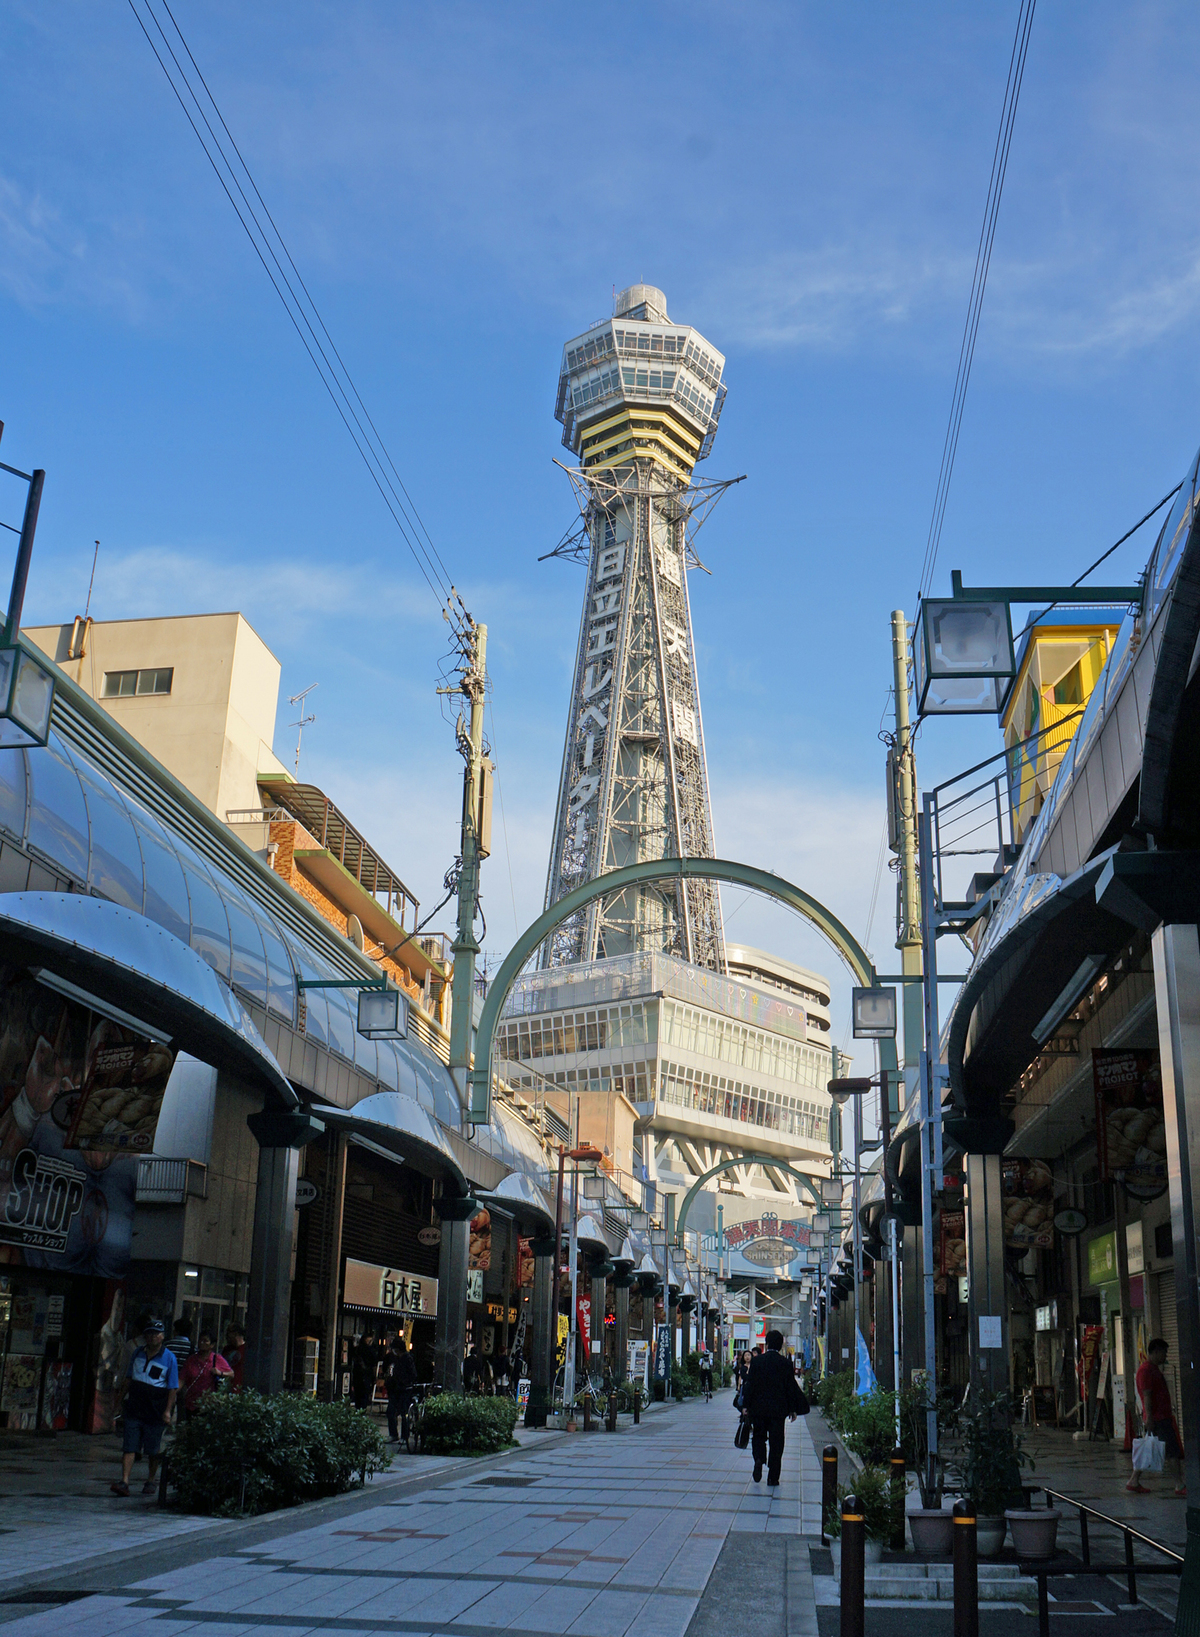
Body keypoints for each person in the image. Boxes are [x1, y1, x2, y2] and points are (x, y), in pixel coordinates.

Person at [111, 1318, 178, 1497]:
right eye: (148, 1334)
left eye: (155, 1334)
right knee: (129, 1445)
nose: (151, 1337)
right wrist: (118, 1404)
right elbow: (128, 1379)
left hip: (155, 1410)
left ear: (162, 1336)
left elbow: (172, 1388)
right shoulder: (138, 1353)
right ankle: (124, 1481)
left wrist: (167, 1411)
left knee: (153, 1449)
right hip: (135, 1407)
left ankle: (150, 1479)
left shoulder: (169, 1358)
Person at [740, 1328, 809, 1487]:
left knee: (758, 1436)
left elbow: (750, 1385)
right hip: (778, 1410)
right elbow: (790, 1387)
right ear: (780, 1346)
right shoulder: (785, 1363)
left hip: (758, 1408)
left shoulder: (757, 1361)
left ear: (767, 1343)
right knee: (777, 1442)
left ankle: (759, 1459)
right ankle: (773, 1477)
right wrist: (792, 1408)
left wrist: (746, 1405)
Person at [1130, 1337, 1186, 1497]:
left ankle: (1134, 1480)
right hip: (1158, 1418)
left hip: (1159, 1417)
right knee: (1172, 1452)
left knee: (1149, 1448)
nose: (1166, 1356)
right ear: (1156, 1351)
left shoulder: (1152, 1369)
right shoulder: (1146, 1370)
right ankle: (1179, 1484)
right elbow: (1147, 1395)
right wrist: (1150, 1418)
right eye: (1164, 1352)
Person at [178, 1331, 233, 1418]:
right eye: (200, 1340)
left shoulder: (217, 1359)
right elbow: (181, 1379)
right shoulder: (191, 1360)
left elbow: (231, 1374)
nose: (201, 1343)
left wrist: (220, 1373)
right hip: (191, 1403)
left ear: (212, 1345)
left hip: (209, 1405)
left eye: (205, 1341)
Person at [384, 1335, 417, 1443]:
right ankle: (394, 1434)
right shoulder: (396, 1358)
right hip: (395, 1389)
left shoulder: (407, 1358)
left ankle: (403, 1436)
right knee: (391, 1411)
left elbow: (412, 1374)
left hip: (403, 1390)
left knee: (404, 1413)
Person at [351, 1334, 380, 1410]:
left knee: (358, 1393)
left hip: (357, 1374)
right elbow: (374, 1364)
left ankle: (358, 1409)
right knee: (365, 1394)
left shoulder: (357, 1349)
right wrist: (374, 1377)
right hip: (367, 1374)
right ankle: (362, 1409)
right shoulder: (371, 1351)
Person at [224, 1324, 246, 1391]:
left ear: (236, 1334)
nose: (227, 1336)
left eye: (229, 1333)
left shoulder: (246, 1350)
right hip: (226, 1387)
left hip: (240, 1387)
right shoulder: (226, 1349)